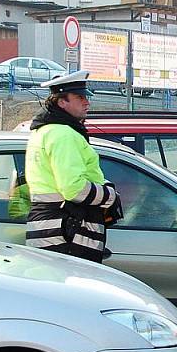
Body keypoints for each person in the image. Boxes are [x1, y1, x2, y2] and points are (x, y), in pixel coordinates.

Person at [25, 70, 121, 262]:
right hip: (67, 228)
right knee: (75, 288)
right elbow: (73, 188)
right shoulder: (64, 135)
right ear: (62, 102)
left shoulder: (45, 130)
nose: (87, 102)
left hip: (52, 225)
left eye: (86, 97)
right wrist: (109, 196)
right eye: (79, 97)